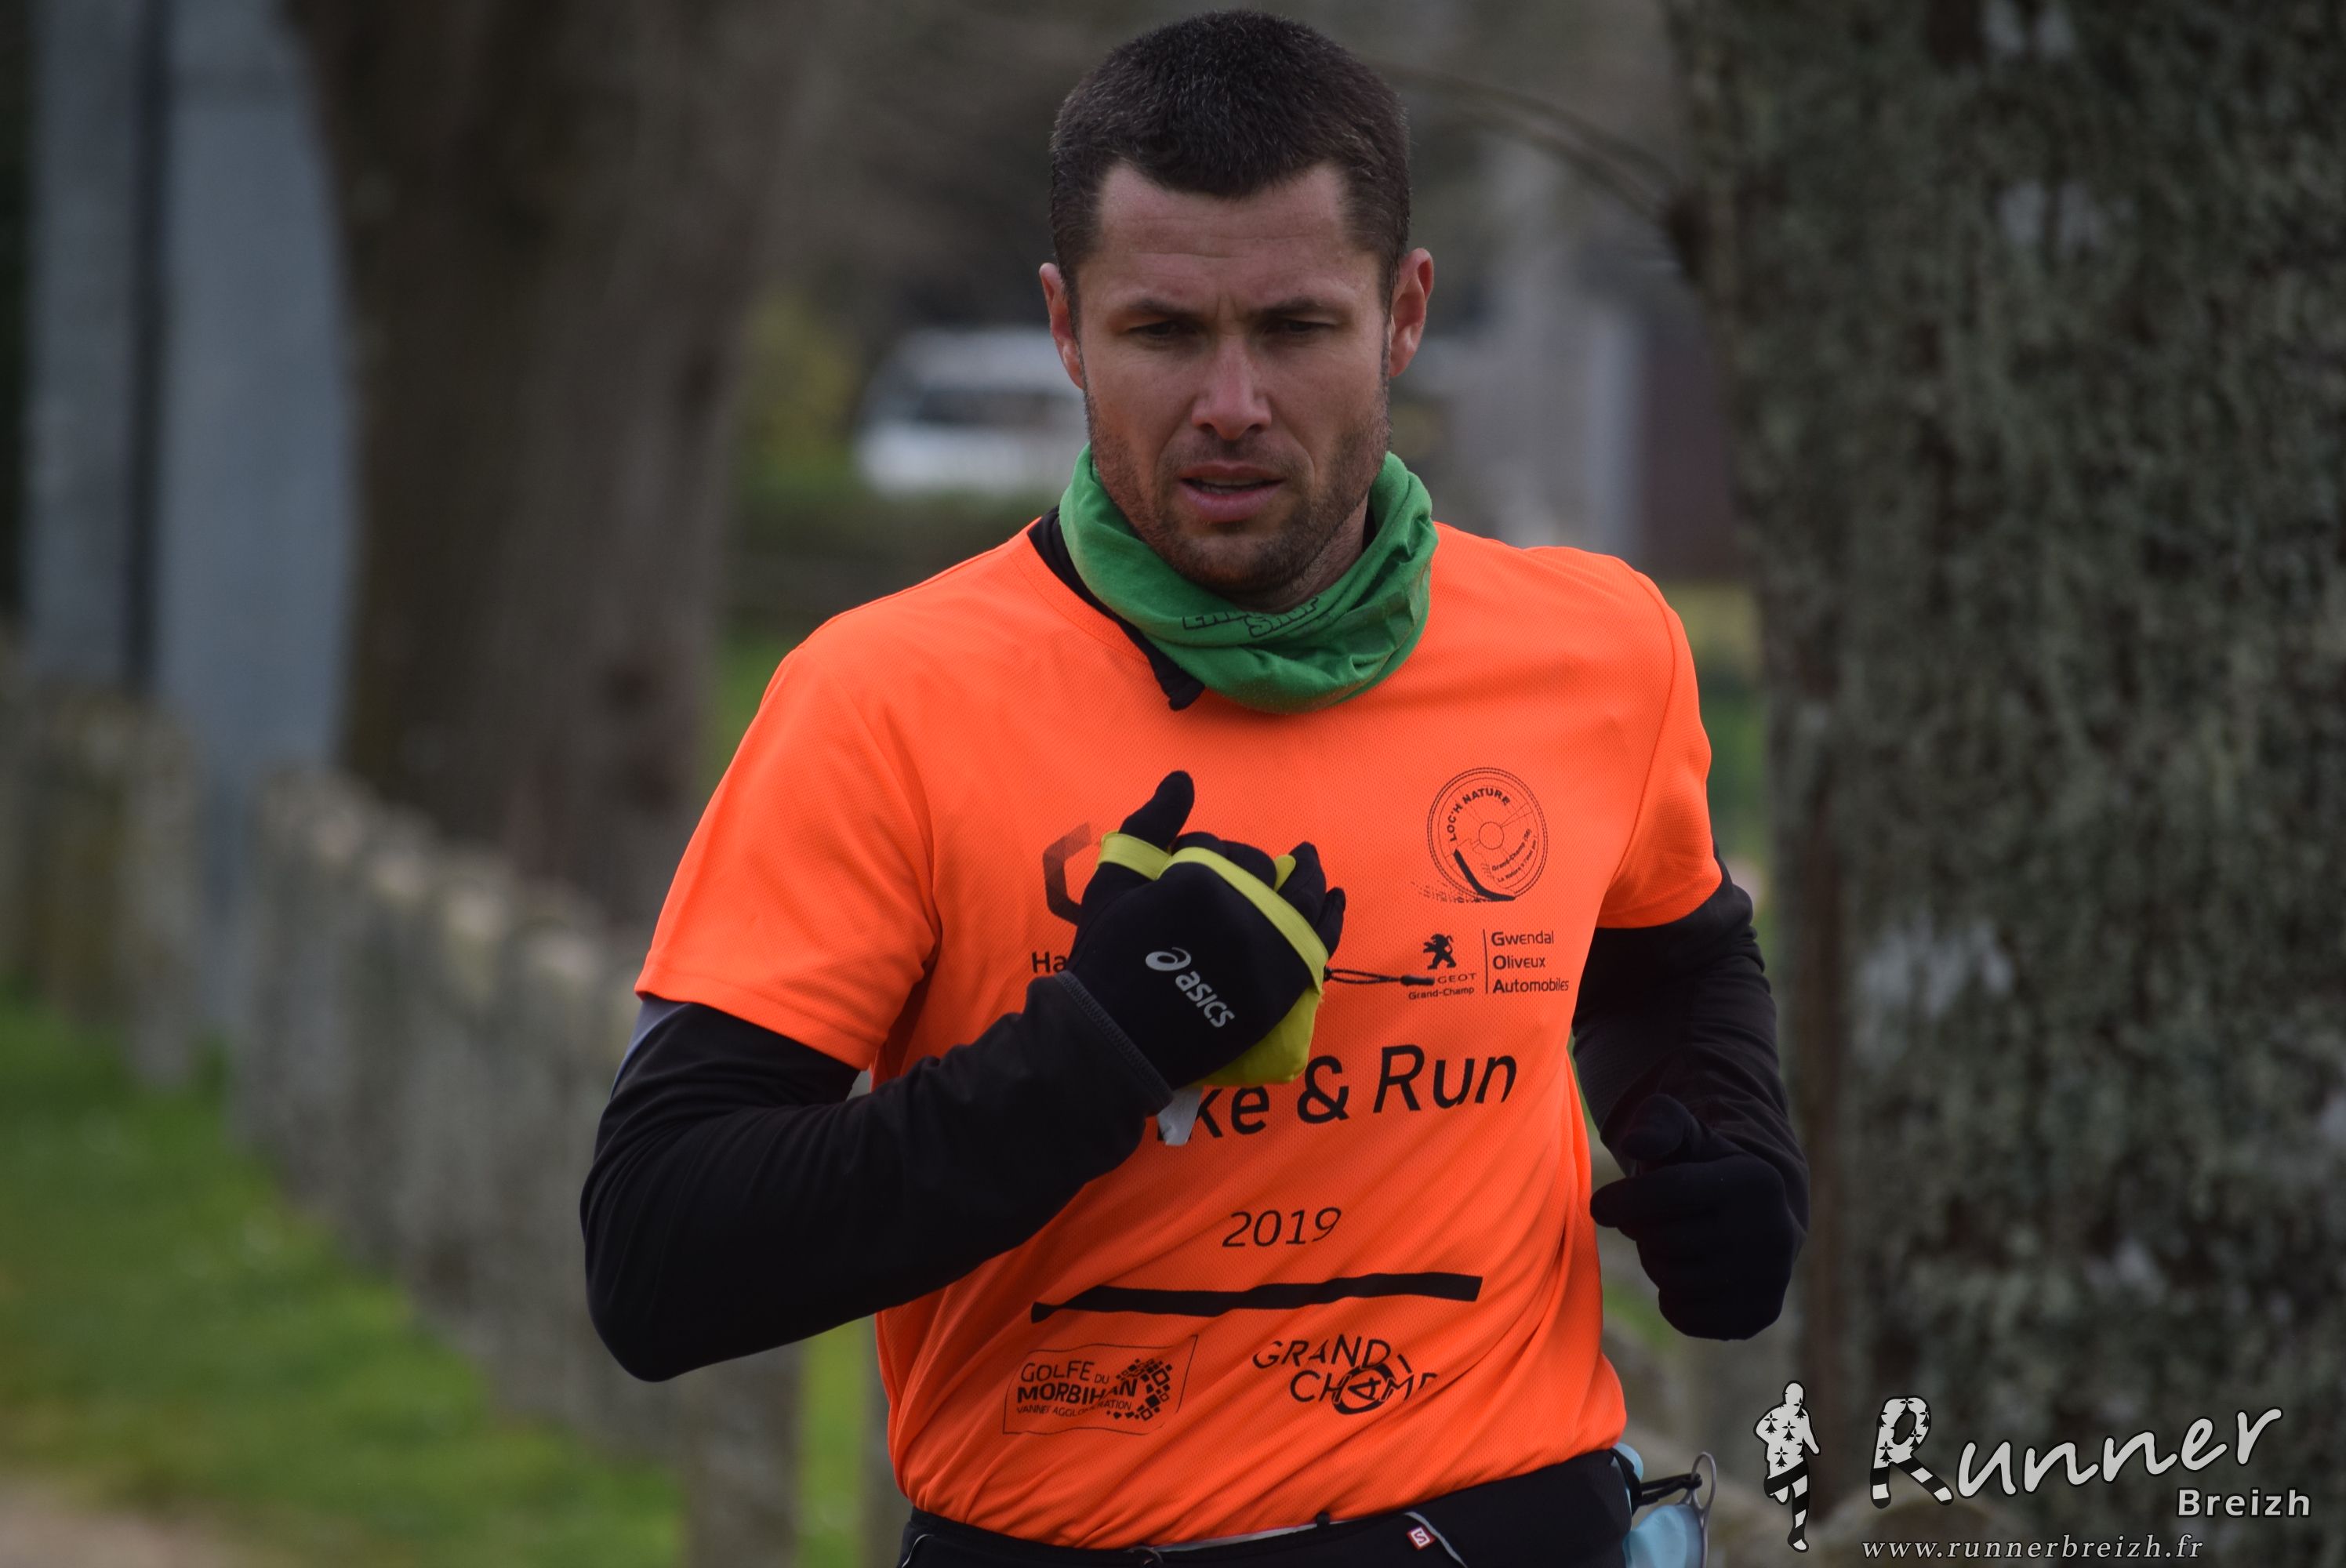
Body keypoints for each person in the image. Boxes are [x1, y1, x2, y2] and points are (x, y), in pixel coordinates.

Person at [581, 13, 1807, 1566]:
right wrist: (1095, 1051)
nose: (1232, 401)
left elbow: (1670, 954)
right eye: (1164, 332)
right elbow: (659, 1257)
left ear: (1403, 315)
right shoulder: (884, 698)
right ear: (1066, 328)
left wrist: (1732, 1145)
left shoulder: (1600, 648)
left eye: (1294, 328)